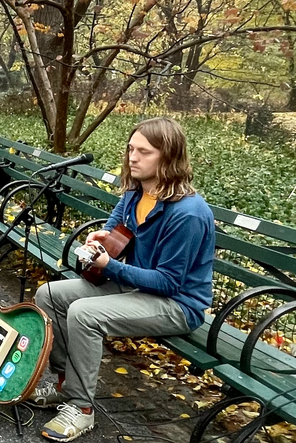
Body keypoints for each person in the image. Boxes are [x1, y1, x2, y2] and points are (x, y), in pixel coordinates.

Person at [31, 118, 214, 442]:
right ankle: (63, 386)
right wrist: (98, 240)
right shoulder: (135, 193)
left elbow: (169, 283)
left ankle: (82, 408)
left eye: (144, 152)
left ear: (168, 157)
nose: (133, 157)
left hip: (177, 303)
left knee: (85, 314)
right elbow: (113, 231)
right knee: (48, 294)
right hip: (137, 284)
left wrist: (110, 264)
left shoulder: (188, 213)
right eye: (131, 149)